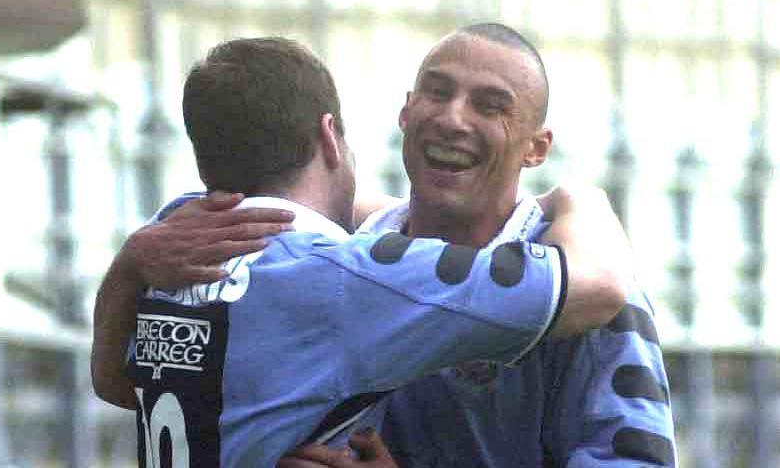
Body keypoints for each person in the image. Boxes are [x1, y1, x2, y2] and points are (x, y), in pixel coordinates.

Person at [121, 23, 678, 467]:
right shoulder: (347, 254)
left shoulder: (589, 287)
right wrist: (132, 261)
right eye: (438, 92)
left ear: (536, 148)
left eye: (490, 105)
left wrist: (582, 201)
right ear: (406, 112)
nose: (454, 118)